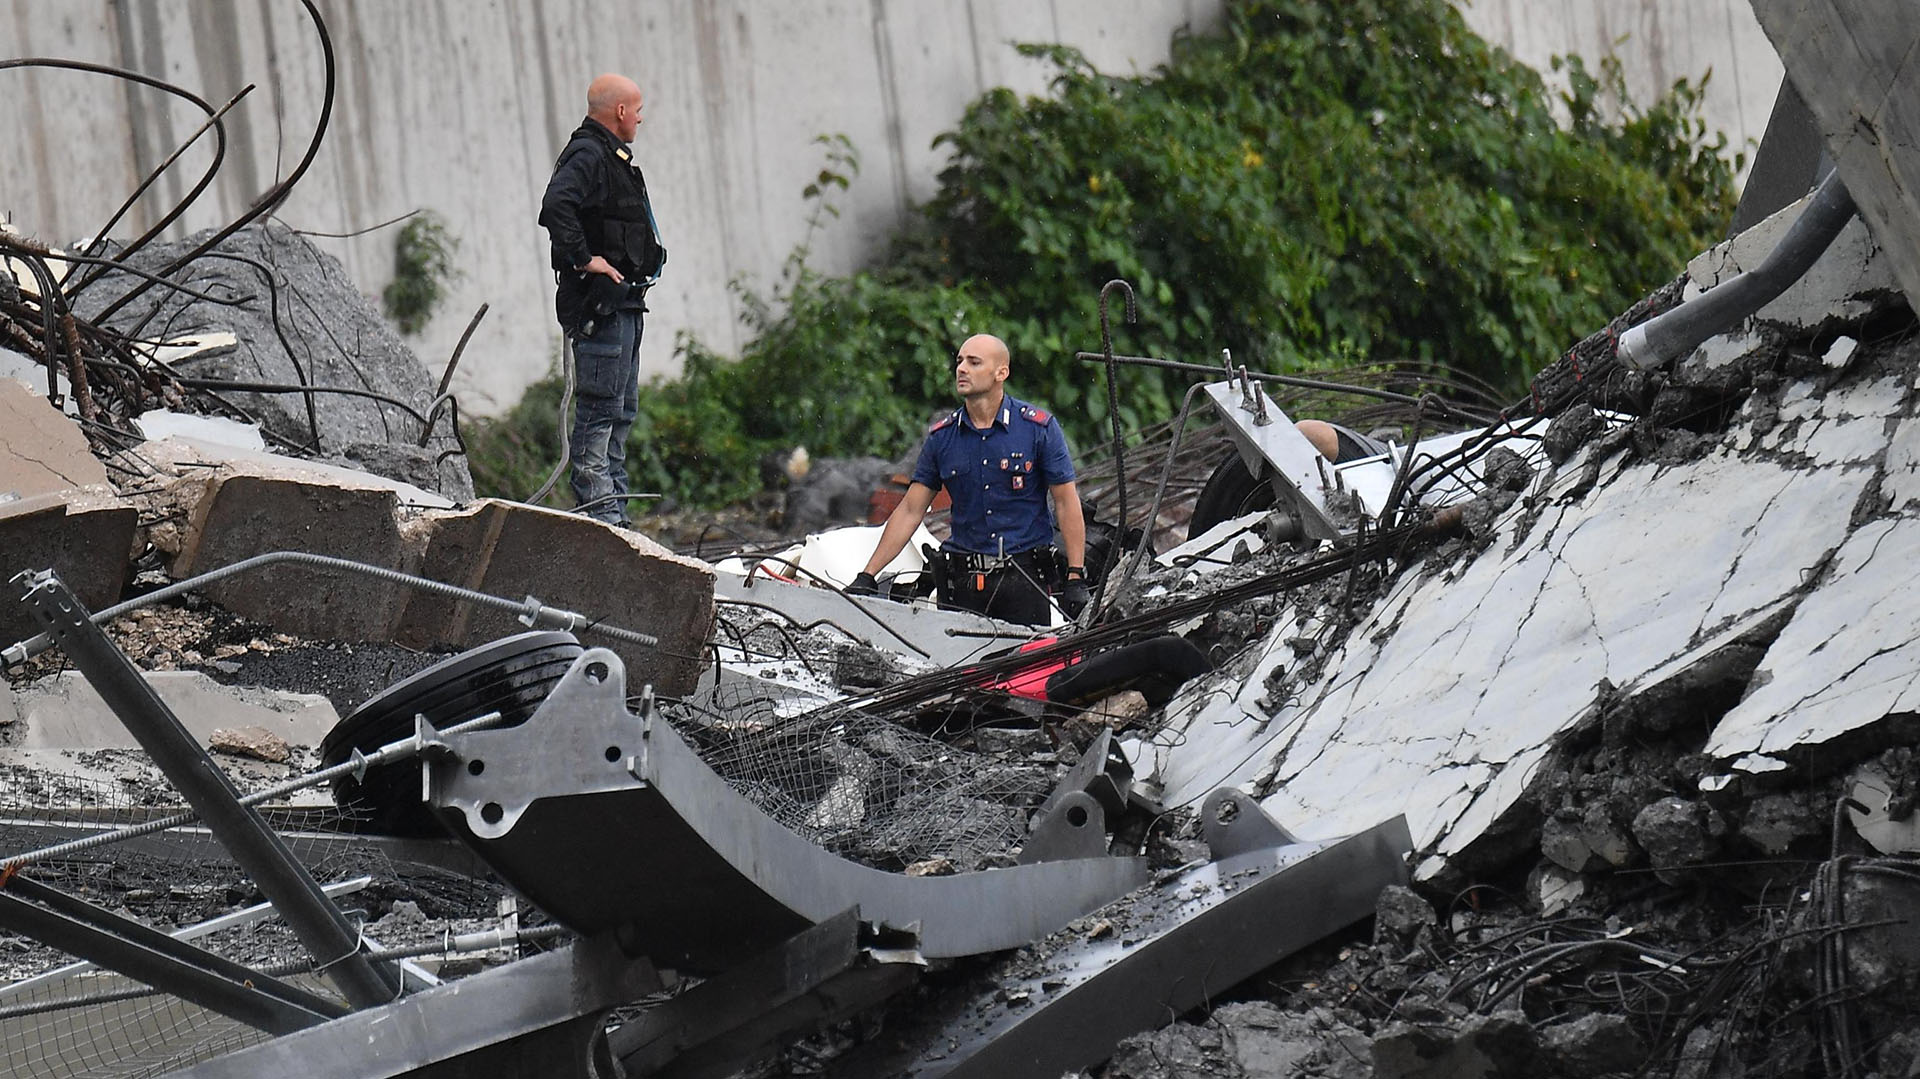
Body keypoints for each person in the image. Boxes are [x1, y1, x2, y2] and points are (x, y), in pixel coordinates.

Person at [848, 334, 1090, 625]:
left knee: (1023, 664)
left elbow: (1066, 502)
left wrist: (1076, 575)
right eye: (960, 361)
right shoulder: (943, 438)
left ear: (1002, 372)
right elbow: (911, 510)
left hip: (1023, 580)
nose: (962, 368)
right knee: (960, 668)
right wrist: (868, 575)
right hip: (961, 583)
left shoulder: (1037, 429)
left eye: (974, 362)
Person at [538, 73, 666, 527]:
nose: (641, 117)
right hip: (600, 310)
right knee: (599, 416)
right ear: (620, 112)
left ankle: (617, 521)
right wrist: (585, 259)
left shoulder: (611, 157)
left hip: (624, 305)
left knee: (621, 414)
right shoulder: (588, 154)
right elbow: (556, 205)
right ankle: (602, 521)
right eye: (638, 109)